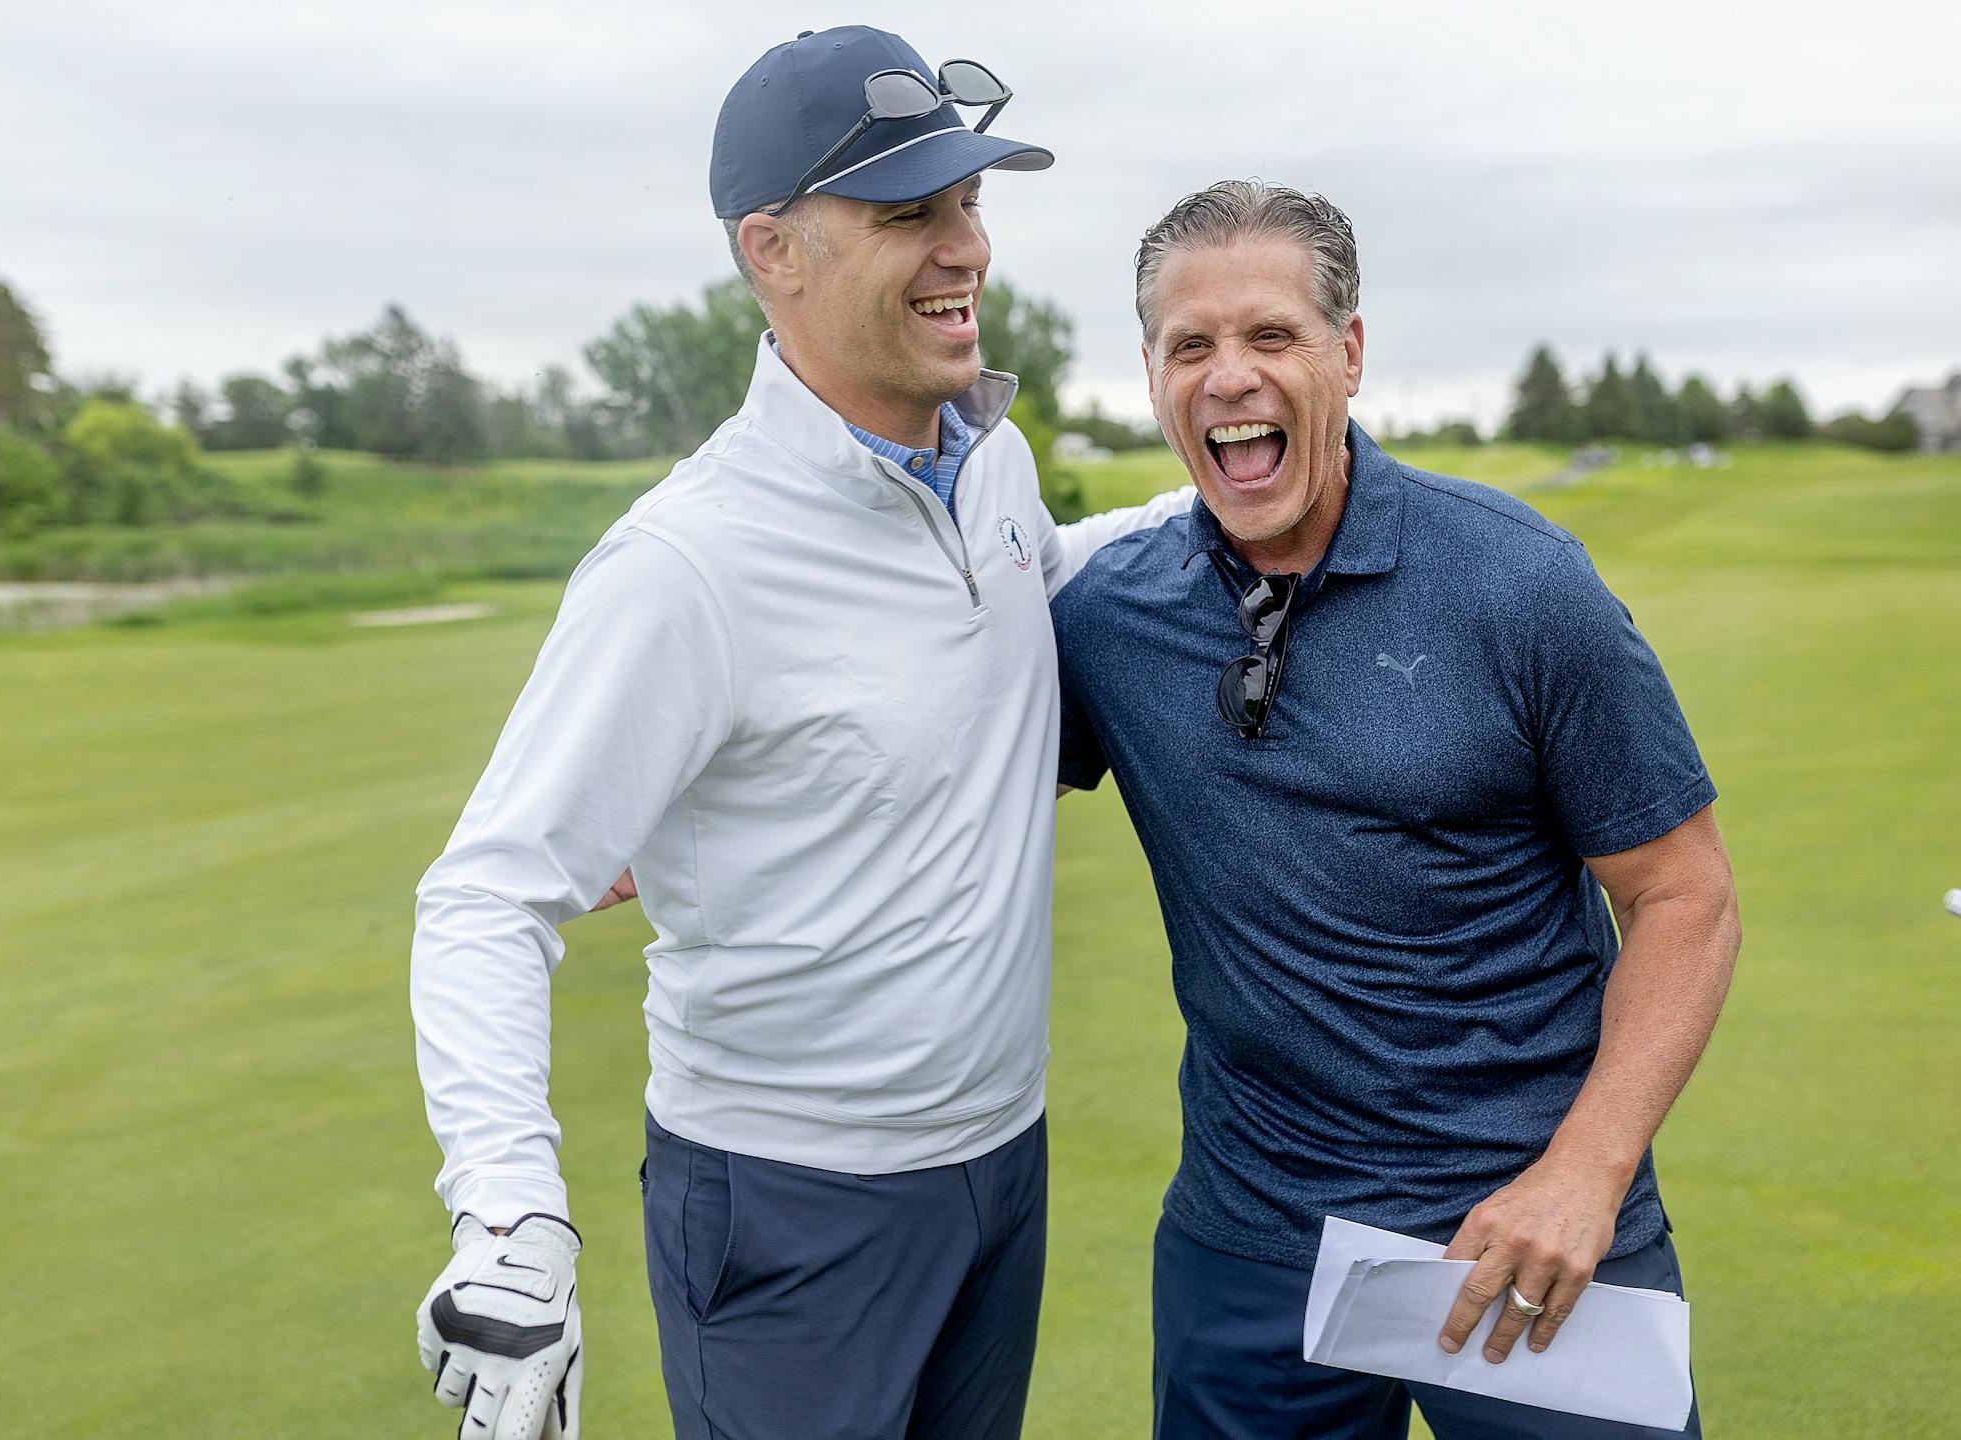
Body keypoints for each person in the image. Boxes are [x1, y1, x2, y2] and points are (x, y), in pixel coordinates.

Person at [408, 27, 1191, 1440]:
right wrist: (510, 1214)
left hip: (1000, 1163)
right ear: (771, 250)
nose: (966, 248)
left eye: (969, 203)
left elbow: (1034, 587)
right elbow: (486, 895)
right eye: (909, 214)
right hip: (788, 1207)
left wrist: (1231, 500)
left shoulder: (990, 462)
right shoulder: (687, 564)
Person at [1048, 181, 1742, 1439]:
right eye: (1189, 345)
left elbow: (1682, 896)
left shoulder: (1521, 583)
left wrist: (1586, 1176)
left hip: (1531, 1235)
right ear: (1150, 374)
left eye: (1272, 335)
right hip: (1251, 1240)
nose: (1229, 376)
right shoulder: (1108, 616)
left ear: (1349, 353)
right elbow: (938, 779)